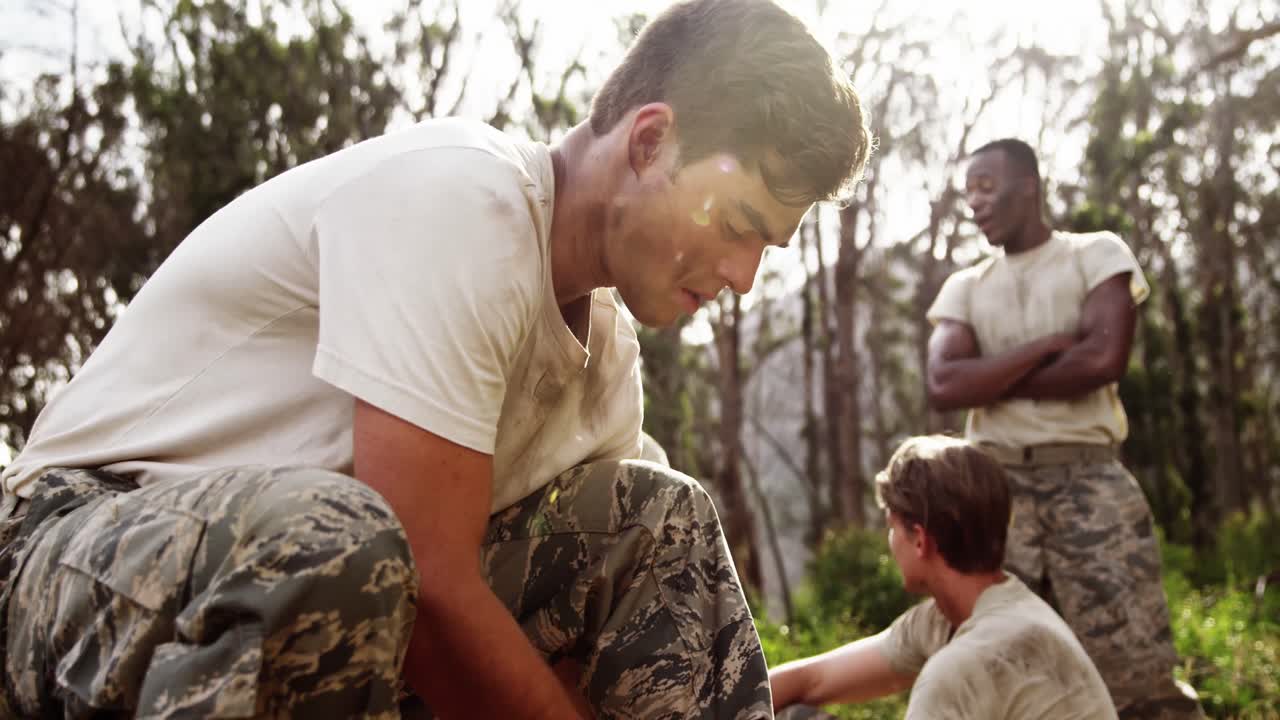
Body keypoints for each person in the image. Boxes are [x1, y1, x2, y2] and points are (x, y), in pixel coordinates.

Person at [0, 1, 872, 717]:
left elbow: (588, 624)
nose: (744, 276)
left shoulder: (604, 361)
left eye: (770, 249)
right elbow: (426, 577)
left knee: (661, 523)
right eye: (736, 224)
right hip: (70, 555)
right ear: (649, 143)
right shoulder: (461, 196)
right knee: (347, 545)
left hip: (315, 602)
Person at [923, 138, 1204, 719]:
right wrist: (1050, 348)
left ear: (1029, 184)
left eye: (987, 186)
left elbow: (1102, 360)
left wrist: (992, 377)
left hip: (1090, 484)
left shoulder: (1096, 255)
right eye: (968, 190)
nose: (975, 202)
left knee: (1136, 674)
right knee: (1000, 671)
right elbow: (945, 385)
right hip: (994, 496)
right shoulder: (966, 287)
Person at [769, 435, 1117, 719]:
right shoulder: (969, 615)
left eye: (892, 528)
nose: (889, 543)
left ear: (920, 539)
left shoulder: (964, 665)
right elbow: (812, 681)